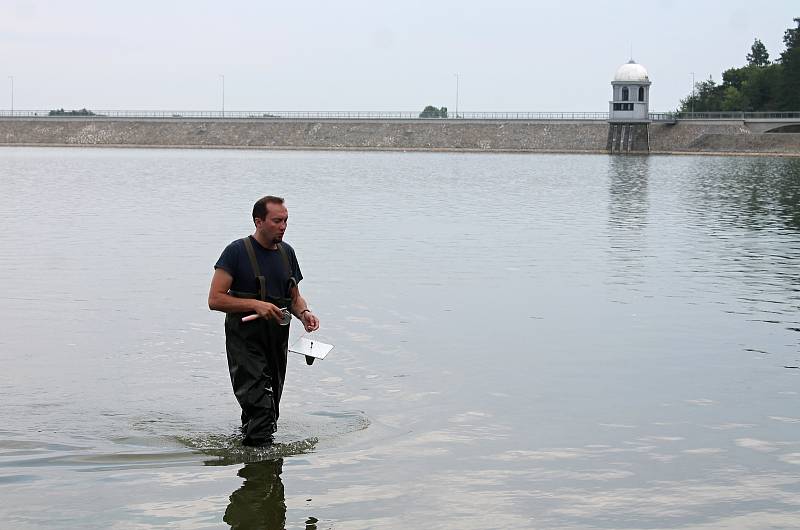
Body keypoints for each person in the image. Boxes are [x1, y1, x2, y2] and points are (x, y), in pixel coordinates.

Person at [208, 195, 320, 446]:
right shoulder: (235, 252)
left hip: (276, 341)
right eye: (277, 221)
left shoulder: (287, 253)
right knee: (262, 409)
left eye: (286, 221)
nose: (283, 226)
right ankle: (262, 469)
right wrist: (255, 304)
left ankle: (249, 453)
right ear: (259, 221)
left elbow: (295, 298)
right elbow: (215, 299)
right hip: (245, 342)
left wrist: (305, 314)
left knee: (270, 410)